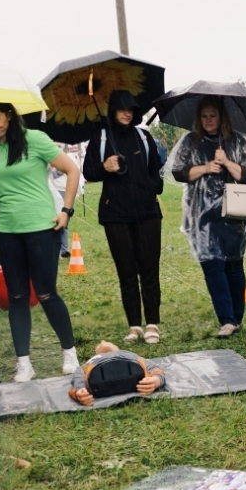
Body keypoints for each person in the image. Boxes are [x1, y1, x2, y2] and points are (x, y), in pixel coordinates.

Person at [0, 101, 81, 381]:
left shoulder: (35, 140)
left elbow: (72, 170)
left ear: (9, 115)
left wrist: (66, 210)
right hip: (7, 230)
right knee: (16, 297)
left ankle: (69, 352)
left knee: (45, 293)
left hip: (42, 226)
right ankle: (24, 363)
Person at [168, 97, 246, 338]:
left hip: (234, 213)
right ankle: (227, 319)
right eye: (204, 116)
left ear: (222, 117)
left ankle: (236, 316)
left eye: (213, 115)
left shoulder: (236, 141)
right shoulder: (190, 142)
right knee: (212, 264)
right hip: (201, 214)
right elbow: (179, 172)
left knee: (233, 264)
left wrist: (227, 161)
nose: (208, 120)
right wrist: (207, 167)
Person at [82, 90, 164, 345]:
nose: (127, 113)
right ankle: (134, 325)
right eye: (121, 109)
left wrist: (149, 189)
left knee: (149, 269)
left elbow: (156, 174)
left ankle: (152, 323)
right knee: (126, 270)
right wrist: (104, 168)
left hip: (148, 213)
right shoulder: (101, 138)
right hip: (115, 214)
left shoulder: (144, 136)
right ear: (113, 111)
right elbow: (88, 172)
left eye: (131, 109)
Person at [68, 340, 165, 406]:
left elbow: (78, 375)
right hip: (127, 372)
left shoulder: (90, 363)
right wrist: (80, 391)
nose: (104, 345)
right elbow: (156, 370)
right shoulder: (133, 356)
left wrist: (155, 381)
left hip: (97, 378)